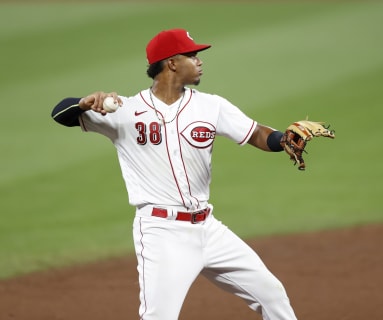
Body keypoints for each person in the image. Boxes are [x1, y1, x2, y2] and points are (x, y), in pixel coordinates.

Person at [51, 28, 297, 320]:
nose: (199, 60)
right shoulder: (125, 112)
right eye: (192, 55)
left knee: (272, 294)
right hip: (162, 232)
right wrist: (82, 103)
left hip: (209, 228)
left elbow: (255, 132)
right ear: (171, 63)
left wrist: (282, 140)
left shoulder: (211, 105)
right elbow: (59, 114)